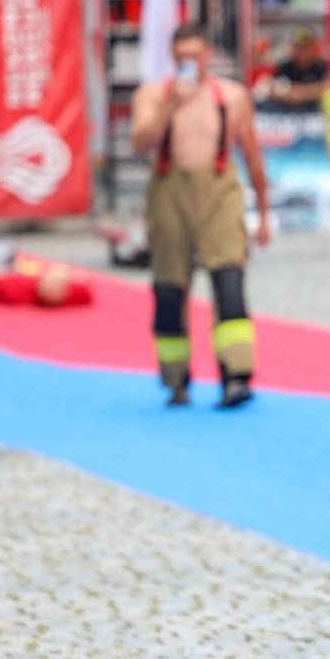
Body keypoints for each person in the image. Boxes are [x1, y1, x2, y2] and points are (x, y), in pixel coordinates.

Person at [130, 23, 272, 408]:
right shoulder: (152, 95)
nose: (188, 62)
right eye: (181, 56)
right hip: (169, 191)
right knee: (169, 287)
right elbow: (141, 142)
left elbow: (253, 156)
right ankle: (175, 378)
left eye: (195, 54)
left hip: (219, 190)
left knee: (229, 277)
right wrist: (169, 105)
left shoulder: (232, 95)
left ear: (208, 54)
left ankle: (236, 376)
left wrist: (262, 213)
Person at [269, 28, 329, 110]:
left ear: (312, 48)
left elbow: (328, 87)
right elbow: (273, 88)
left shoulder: (321, 67)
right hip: (287, 114)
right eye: (298, 47)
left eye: (305, 47)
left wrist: (300, 93)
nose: (301, 51)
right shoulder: (285, 68)